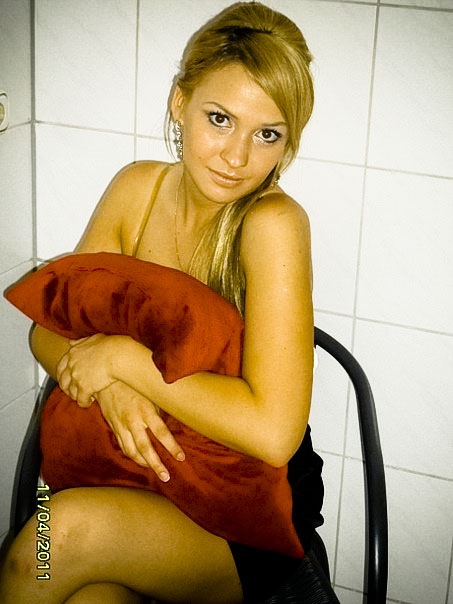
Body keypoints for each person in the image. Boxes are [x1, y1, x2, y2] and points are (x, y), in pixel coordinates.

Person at [0, 2, 324, 602]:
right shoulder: (137, 189)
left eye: (267, 134)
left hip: (243, 514)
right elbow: (49, 329)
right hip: (135, 480)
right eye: (220, 119)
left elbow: (273, 432)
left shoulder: (273, 224)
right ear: (180, 102)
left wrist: (126, 362)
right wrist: (112, 385)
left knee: (47, 543)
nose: (236, 157)